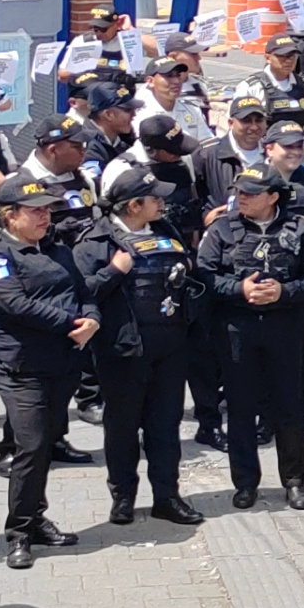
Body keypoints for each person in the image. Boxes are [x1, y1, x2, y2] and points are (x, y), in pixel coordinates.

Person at [0, 172, 98, 569]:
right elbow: (17, 307)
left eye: (48, 210)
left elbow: (84, 292)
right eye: (36, 211)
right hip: (21, 368)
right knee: (28, 446)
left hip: (62, 363)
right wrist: (71, 324)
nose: (45, 217)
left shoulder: (57, 250)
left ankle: (37, 518)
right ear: (9, 216)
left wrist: (91, 319)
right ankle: (19, 533)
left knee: (45, 444)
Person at [200, 160, 304, 508]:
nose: (241, 198)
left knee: (289, 407)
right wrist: (239, 289)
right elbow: (205, 277)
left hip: (284, 328)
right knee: (241, 409)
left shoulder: (300, 229)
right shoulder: (222, 230)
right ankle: (245, 484)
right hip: (237, 329)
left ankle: (294, 482)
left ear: (273, 196)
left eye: (250, 193)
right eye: (239, 192)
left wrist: (283, 293)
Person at [85, 177, 206, 528]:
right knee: (122, 426)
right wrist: (113, 271)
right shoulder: (96, 241)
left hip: (170, 346)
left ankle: (167, 497)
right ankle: (123, 496)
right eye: (155, 199)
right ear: (133, 205)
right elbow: (82, 291)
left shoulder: (167, 230)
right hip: (123, 351)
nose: (162, 204)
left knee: (166, 425)